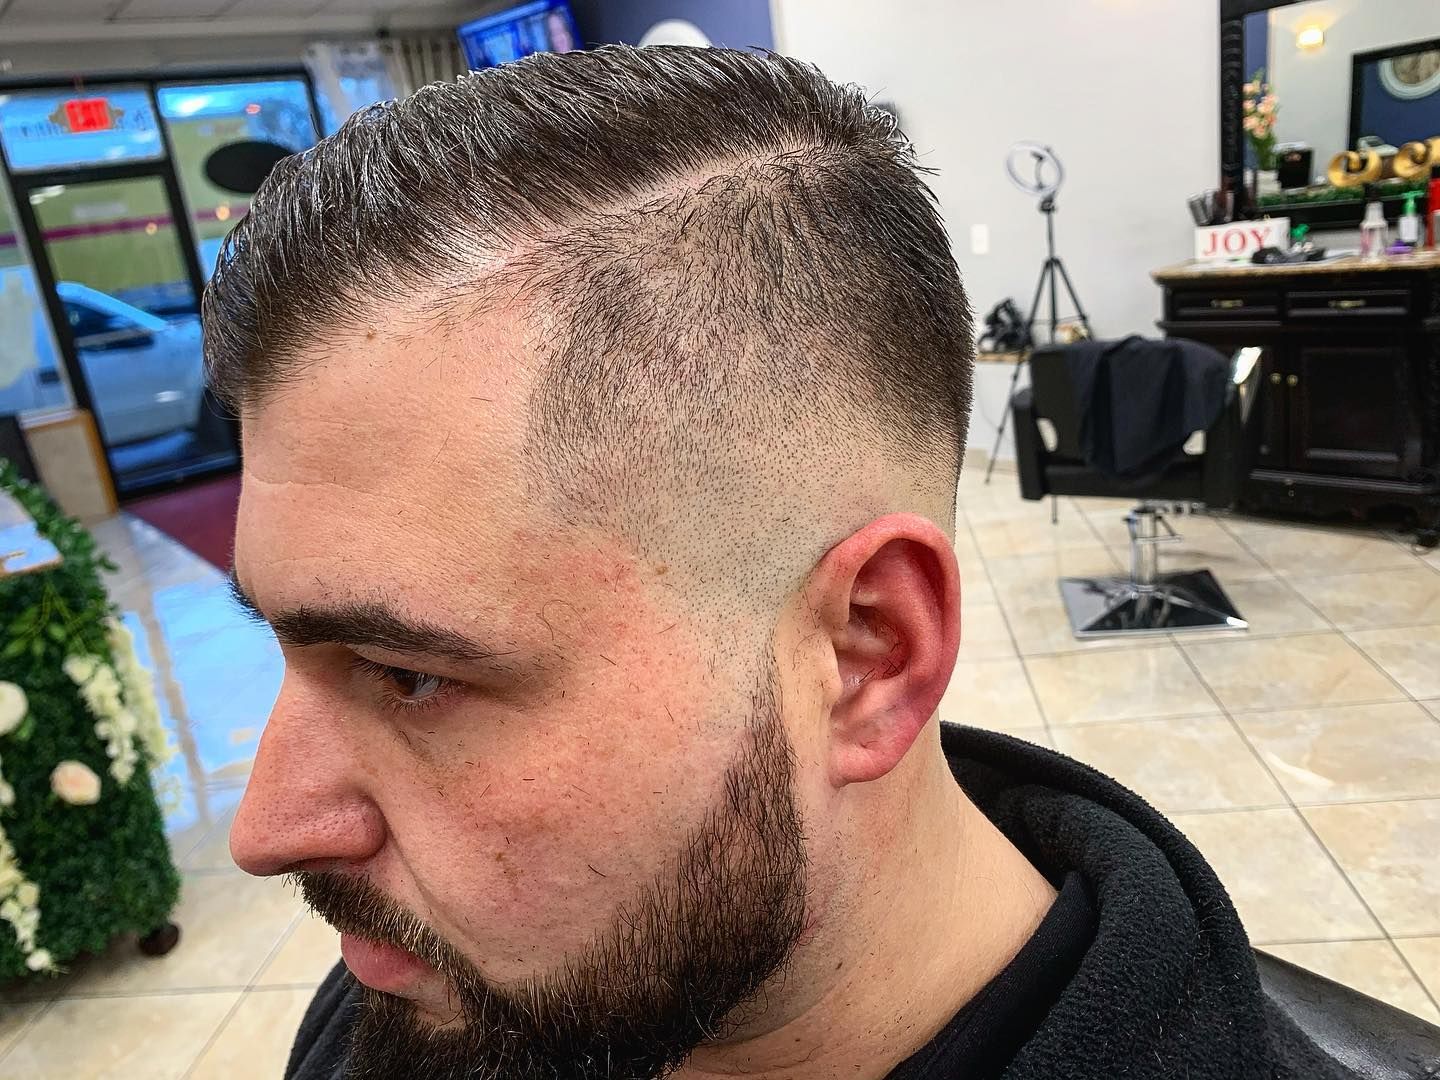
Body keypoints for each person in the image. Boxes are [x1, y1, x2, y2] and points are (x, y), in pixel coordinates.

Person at [208, 46, 1431, 1080]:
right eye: (282, 639)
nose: (266, 830)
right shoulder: (422, 1011)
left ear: (868, 655)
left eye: (405, 673)